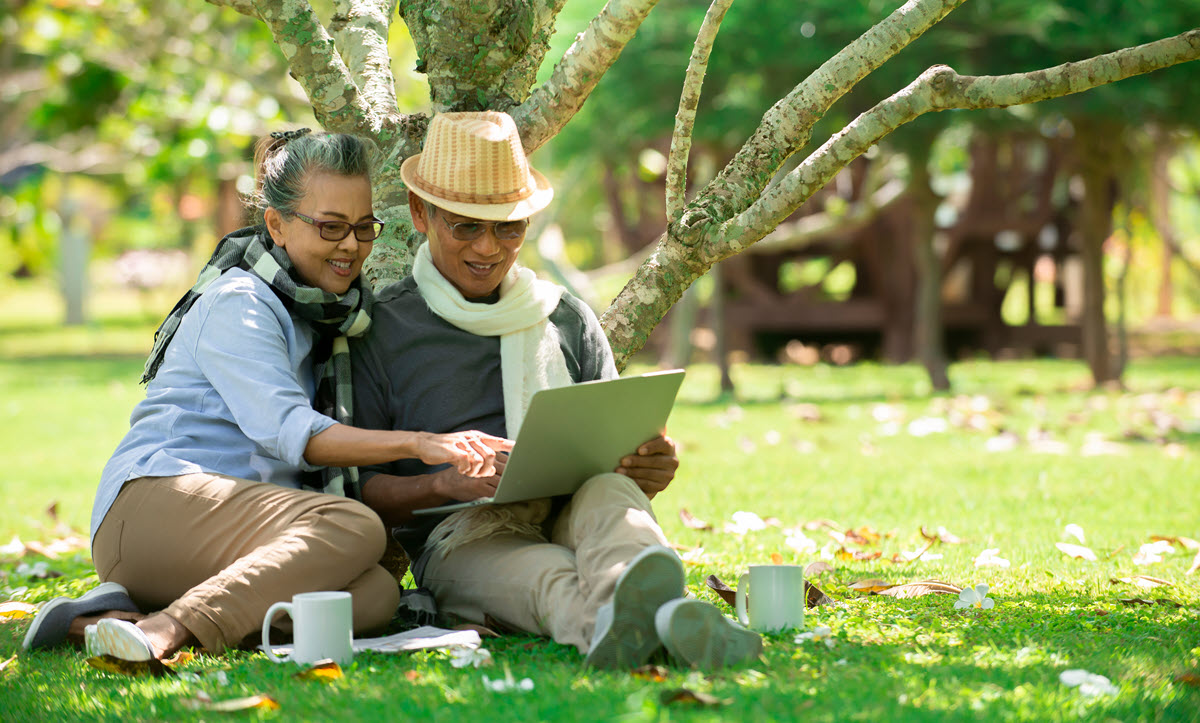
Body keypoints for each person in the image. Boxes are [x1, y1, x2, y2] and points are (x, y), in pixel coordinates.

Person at [22, 129, 508, 662]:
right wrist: (421, 443)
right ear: (276, 225)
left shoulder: (329, 318)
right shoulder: (240, 301)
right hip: (152, 508)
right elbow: (290, 432)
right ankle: (168, 627)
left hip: (238, 534)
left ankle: (105, 623)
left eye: (362, 227)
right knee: (351, 526)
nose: (350, 245)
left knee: (374, 595)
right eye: (331, 227)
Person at [351, 111, 762, 670]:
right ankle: (662, 621)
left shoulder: (564, 317)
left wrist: (649, 464)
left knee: (614, 498)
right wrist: (444, 483)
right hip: (463, 536)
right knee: (551, 581)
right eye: (466, 227)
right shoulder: (382, 329)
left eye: (508, 228)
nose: (488, 248)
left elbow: (609, 441)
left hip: (576, 509)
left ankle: (643, 618)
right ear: (421, 214)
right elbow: (360, 490)